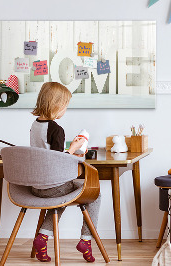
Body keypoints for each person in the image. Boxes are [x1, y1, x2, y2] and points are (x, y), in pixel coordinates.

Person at [30, 82, 100, 263]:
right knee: (95, 194)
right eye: (65, 106)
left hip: (36, 186)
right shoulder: (56, 129)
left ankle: (42, 238)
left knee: (60, 198)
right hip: (53, 186)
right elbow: (58, 161)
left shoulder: (35, 125)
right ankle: (86, 240)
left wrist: (70, 149)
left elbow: (47, 154)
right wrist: (75, 148)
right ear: (56, 105)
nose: (65, 110)